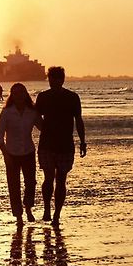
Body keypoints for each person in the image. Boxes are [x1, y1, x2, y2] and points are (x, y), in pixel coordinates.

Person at [36, 66, 86, 226]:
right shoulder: (43, 97)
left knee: (61, 179)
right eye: (51, 78)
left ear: (62, 79)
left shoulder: (72, 97)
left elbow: (78, 120)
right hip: (47, 144)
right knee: (49, 178)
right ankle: (47, 210)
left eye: (56, 78)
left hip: (64, 144)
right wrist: (45, 129)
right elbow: (36, 117)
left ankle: (56, 214)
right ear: (49, 79)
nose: (53, 81)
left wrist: (83, 141)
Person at [0, 83, 42, 226]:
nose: (19, 96)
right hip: (11, 153)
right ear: (12, 95)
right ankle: (18, 216)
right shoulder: (6, 112)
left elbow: (43, 127)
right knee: (13, 185)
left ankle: (28, 207)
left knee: (31, 182)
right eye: (15, 93)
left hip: (28, 151)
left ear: (25, 94)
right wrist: (6, 155)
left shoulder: (32, 111)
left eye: (21, 93)